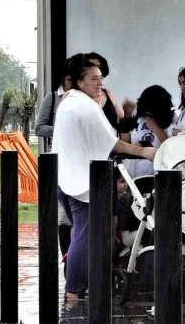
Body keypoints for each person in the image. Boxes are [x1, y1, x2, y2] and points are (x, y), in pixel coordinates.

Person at [52, 54, 156, 301]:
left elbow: (116, 129)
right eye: (94, 78)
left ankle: (83, 284)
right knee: (84, 235)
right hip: (82, 183)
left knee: (84, 234)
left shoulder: (72, 101)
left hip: (69, 179)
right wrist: (143, 152)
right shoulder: (83, 105)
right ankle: (74, 292)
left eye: (101, 78)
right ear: (79, 81)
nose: (99, 83)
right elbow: (111, 143)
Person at [34, 57, 74, 257]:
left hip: (78, 161)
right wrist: (62, 128)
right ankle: (66, 257)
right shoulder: (52, 98)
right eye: (69, 79)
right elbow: (39, 128)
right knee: (62, 214)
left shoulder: (84, 100)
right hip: (59, 161)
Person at [118, 85, 174, 176]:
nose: (149, 114)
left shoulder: (171, 119)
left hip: (154, 174)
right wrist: (126, 118)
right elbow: (125, 141)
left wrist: (157, 129)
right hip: (131, 172)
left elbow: (171, 148)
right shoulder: (139, 118)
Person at [85, 52, 124, 129]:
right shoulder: (77, 96)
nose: (95, 70)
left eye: (99, 67)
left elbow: (121, 116)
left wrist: (128, 112)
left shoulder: (108, 94)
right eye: (91, 66)